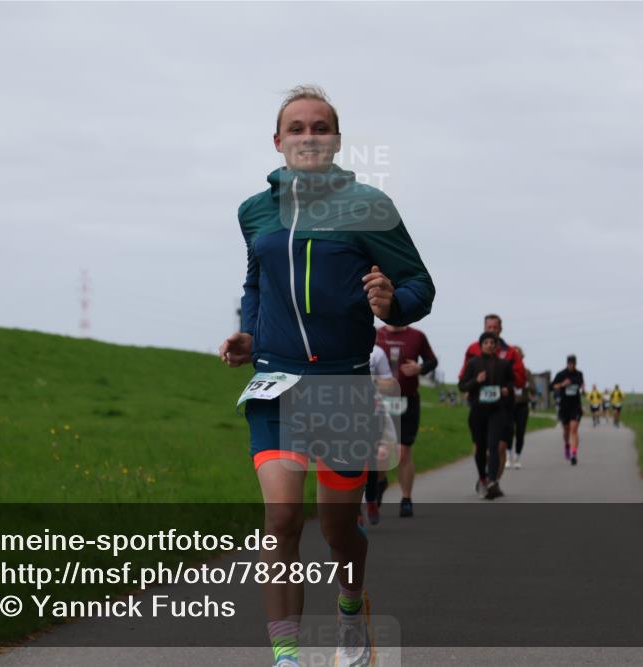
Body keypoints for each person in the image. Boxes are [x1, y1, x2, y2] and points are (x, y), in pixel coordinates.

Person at [219, 85, 434, 667]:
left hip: (343, 386)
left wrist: (392, 302)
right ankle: (287, 657)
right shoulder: (254, 211)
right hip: (276, 383)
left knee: (339, 531)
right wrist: (250, 334)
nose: (309, 137)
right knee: (282, 517)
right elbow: (256, 283)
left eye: (320, 127)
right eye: (297, 128)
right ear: (278, 141)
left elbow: (419, 284)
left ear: (336, 141)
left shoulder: (369, 207)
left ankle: (350, 606)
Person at [375, 324, 438, 517]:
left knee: (403, 451)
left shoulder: (417, 336)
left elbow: (432, 361)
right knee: (382, 452)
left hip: (407, 400)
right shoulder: (377, 334)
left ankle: (406, 499)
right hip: (380, 401)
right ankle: (380, 483)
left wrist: (420, 368)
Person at [458, 314, 525, 488]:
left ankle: (493, 481)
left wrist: (506, 387)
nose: (492, 331)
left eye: (495, 328)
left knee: (498, 446)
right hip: (479, 407)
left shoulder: (510, 353)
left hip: (501, 407)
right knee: (481, 446)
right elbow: (463, 379)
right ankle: (484, 476)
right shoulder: (473, 351)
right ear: (484, 328)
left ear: (500, 329)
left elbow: (518, 379)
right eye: (489, 327)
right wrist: (475, 382)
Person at [365, 344, 398, 526]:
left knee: (374, 457)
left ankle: (372, 498)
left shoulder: (376, 353)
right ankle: (353, 511)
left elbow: (390, 385)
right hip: (343, 410)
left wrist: (372, 381)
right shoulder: (335, 346)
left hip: (373, 411)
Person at [552, 355, 585, 465]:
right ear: (567, 363)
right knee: (566, 431)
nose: (571, 365)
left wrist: (582, 387)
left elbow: (581, 383)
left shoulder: (579, 374)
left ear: (575, 364)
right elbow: (552, 386)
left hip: (575, 406)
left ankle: (574, 454)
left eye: (573, 364)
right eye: (569, 363)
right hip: (564, 406)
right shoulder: (561, 374)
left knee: (573, 430)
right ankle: (567, 445)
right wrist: (562, 384)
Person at [508, 345, 532, 468]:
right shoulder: (506, 371)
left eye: (518, 354)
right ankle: (508, 457)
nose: (516, 356)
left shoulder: (527, 372)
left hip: (522, 405)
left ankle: (517, 458)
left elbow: (534, 389)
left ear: (522, 357)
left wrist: (527, 385)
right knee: (508, 431)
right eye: (514, 354)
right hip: (509, 405)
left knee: (520, 432)